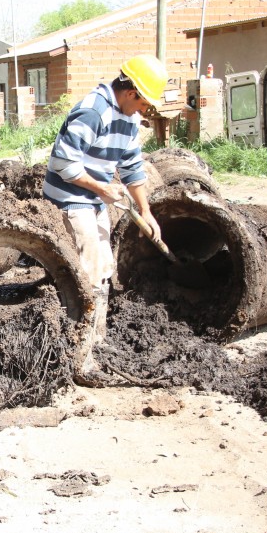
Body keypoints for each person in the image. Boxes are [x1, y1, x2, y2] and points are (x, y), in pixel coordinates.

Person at [43, 54, 168, 387]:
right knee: (88, 270)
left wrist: (146, 210)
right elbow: (61, 163)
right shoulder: (93, 110)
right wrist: (101, 188)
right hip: (71, 198)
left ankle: (95, 342)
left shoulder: (128, 119)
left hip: (94, 199)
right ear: (130, 92)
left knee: (104, 267)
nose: (144, 111)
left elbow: (131, 167)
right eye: (143, 103)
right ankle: (78, 357)